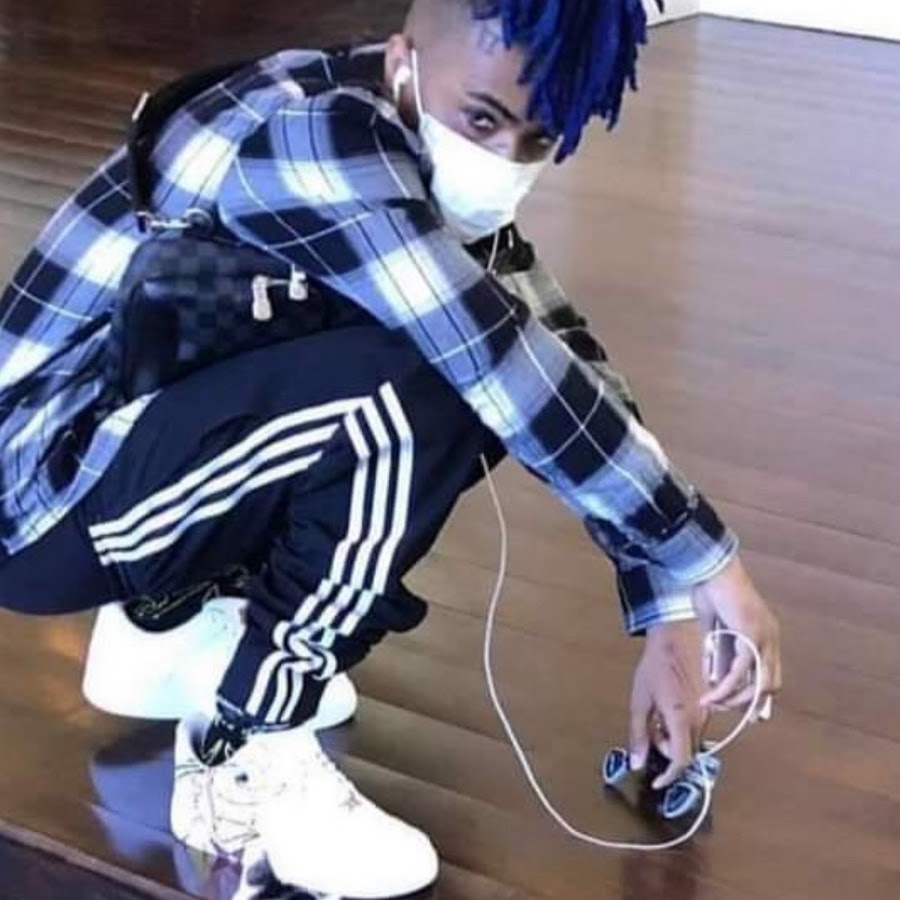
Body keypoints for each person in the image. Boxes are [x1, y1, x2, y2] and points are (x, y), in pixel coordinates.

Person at [0, 0, 782, 896]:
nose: (505, 159)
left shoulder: (395, 119)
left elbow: (555, 349)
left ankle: (165, 636)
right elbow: (494, 363)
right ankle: (242, 751)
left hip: (111, 458)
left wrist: (667, 607)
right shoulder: (319, 140)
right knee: (426, 390)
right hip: (39, 504)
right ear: (408, 60)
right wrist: (708, 557)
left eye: (537, 140)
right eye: (483, 120)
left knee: (426, 355)